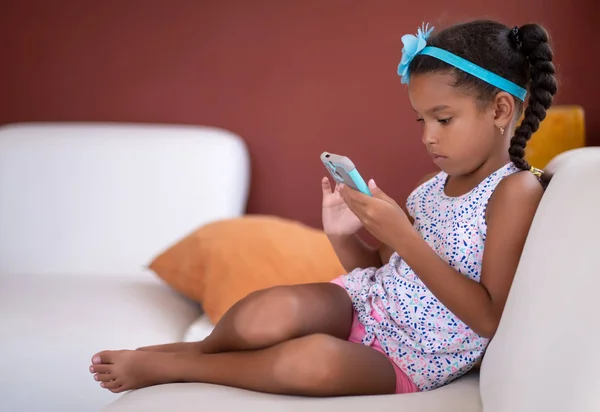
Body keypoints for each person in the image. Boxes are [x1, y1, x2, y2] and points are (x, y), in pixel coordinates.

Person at [89, 19, 558, 396]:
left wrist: (403, 236)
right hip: (365, 305)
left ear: (499, 111)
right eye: (421, 119)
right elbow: (379, 268)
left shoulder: (514, 192)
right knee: (266, 312)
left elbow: (488, 317)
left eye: (444, 119)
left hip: (414, 354)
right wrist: (344, 234)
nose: (427, 136)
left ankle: (179, 367)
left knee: (308, 361)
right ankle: (191, 350)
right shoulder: (432, 185)